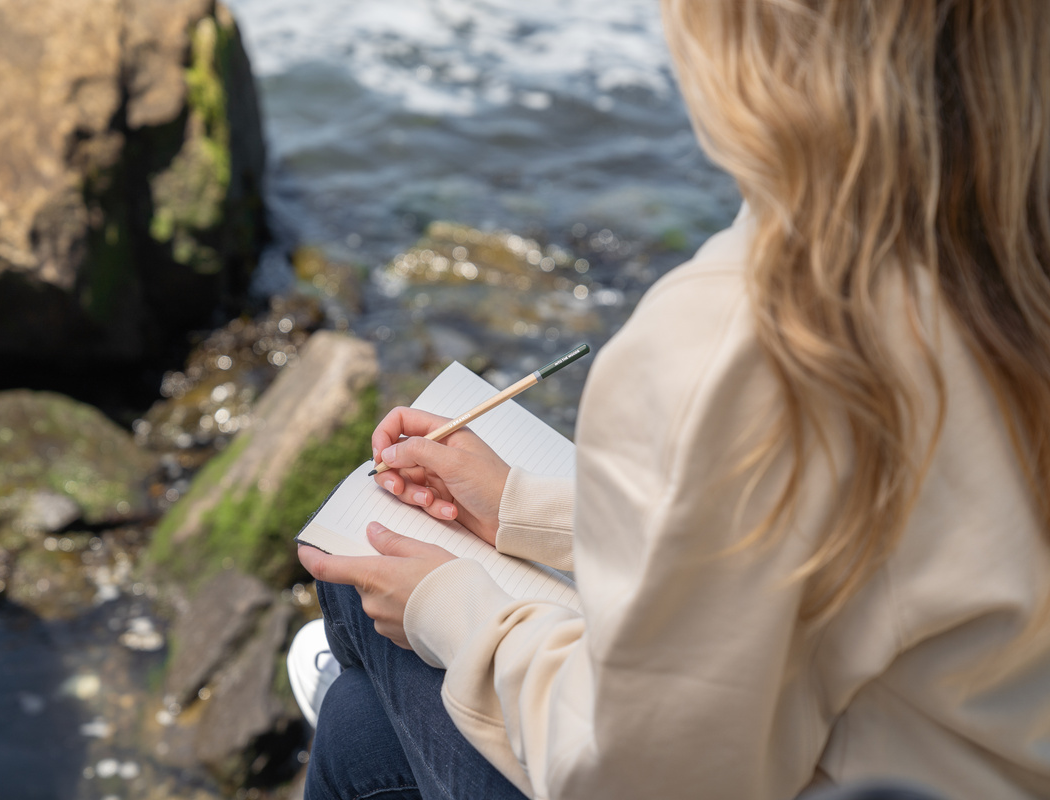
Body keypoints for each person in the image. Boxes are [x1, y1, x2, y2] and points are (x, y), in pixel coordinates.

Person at [295, 0, 1050, 798]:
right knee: (360, 728)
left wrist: (456, 611)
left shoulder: (752, 332)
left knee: (363, 615)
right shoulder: (1005, 249)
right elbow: (816, 549)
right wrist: (525, 510)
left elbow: (642, 776)